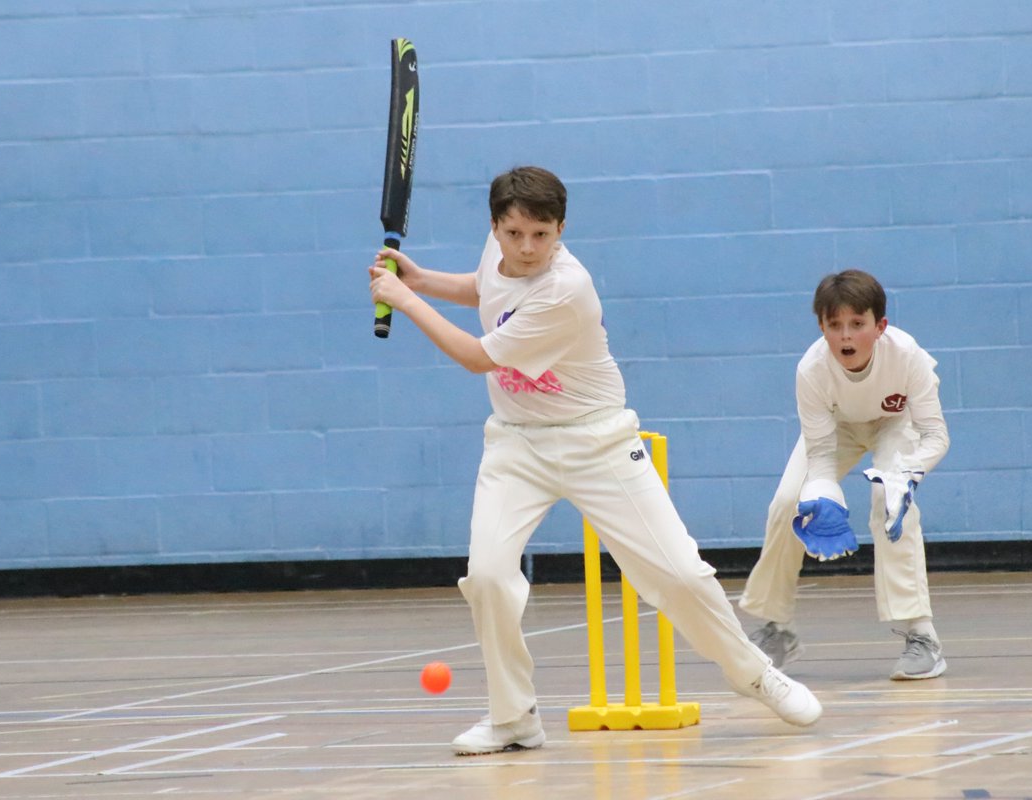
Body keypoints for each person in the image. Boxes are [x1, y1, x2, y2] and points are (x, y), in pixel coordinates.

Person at [368, 166, 822, 756]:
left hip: (597, 441)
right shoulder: (499, 252)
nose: (526, 248)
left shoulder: (566, 289)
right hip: (516, 444)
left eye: (541, 235)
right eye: (514, 234)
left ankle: (756, 675)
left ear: (561, 229)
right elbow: (486, 288)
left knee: (679, 574)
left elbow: (478, 357)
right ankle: (513, 717)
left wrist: (404, 301)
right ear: (495, 227)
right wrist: (422, 279)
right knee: (487, 578)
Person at [739, 269, 951, 681]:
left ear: (880, 326)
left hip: (895, 424)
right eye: (835, 325)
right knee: (788, 502)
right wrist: (822, 496)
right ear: (822, 327)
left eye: (857, 324)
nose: (846, 336)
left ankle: (922, 636)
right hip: (839, 427)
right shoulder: (812, 370)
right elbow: (820, 455)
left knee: (890, 502)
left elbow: (936, 435)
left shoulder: (907, 356)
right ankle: (776, 628)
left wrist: (907, 476)